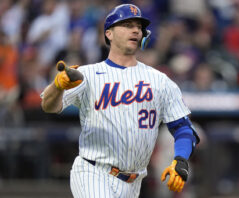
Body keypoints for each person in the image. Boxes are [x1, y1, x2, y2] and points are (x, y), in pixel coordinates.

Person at [41, 4, 199, 198]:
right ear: (109, 34)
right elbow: (49, 106)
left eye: (138, 27)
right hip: (93, 172)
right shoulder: (87, 75)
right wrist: (57, 86)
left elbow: (183, 128)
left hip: (134, 182)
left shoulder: (160, 81)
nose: (135, 30)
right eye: (127, 25)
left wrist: (180, 160)